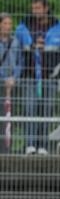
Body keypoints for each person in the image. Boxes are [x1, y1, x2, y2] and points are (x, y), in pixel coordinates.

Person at [15, 0, 60, 155]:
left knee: (47, 110)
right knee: (30, 109)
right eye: (33, 8)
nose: (35, 11)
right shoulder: (23, 27)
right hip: (29, 76)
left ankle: (43, 145)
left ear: (46, 8)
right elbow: (16, 51)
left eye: (38, 8)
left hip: (50, 77)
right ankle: (30, 145)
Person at [0, 12, 22, 154]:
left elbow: (21, 61)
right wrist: (3, 79)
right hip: (1, 83)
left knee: (9, 116)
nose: (8, 27)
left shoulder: (16, 42)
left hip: (13, 84)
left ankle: (7, 147)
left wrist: (15, 77)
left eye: (10, 24)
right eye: (5, 24)